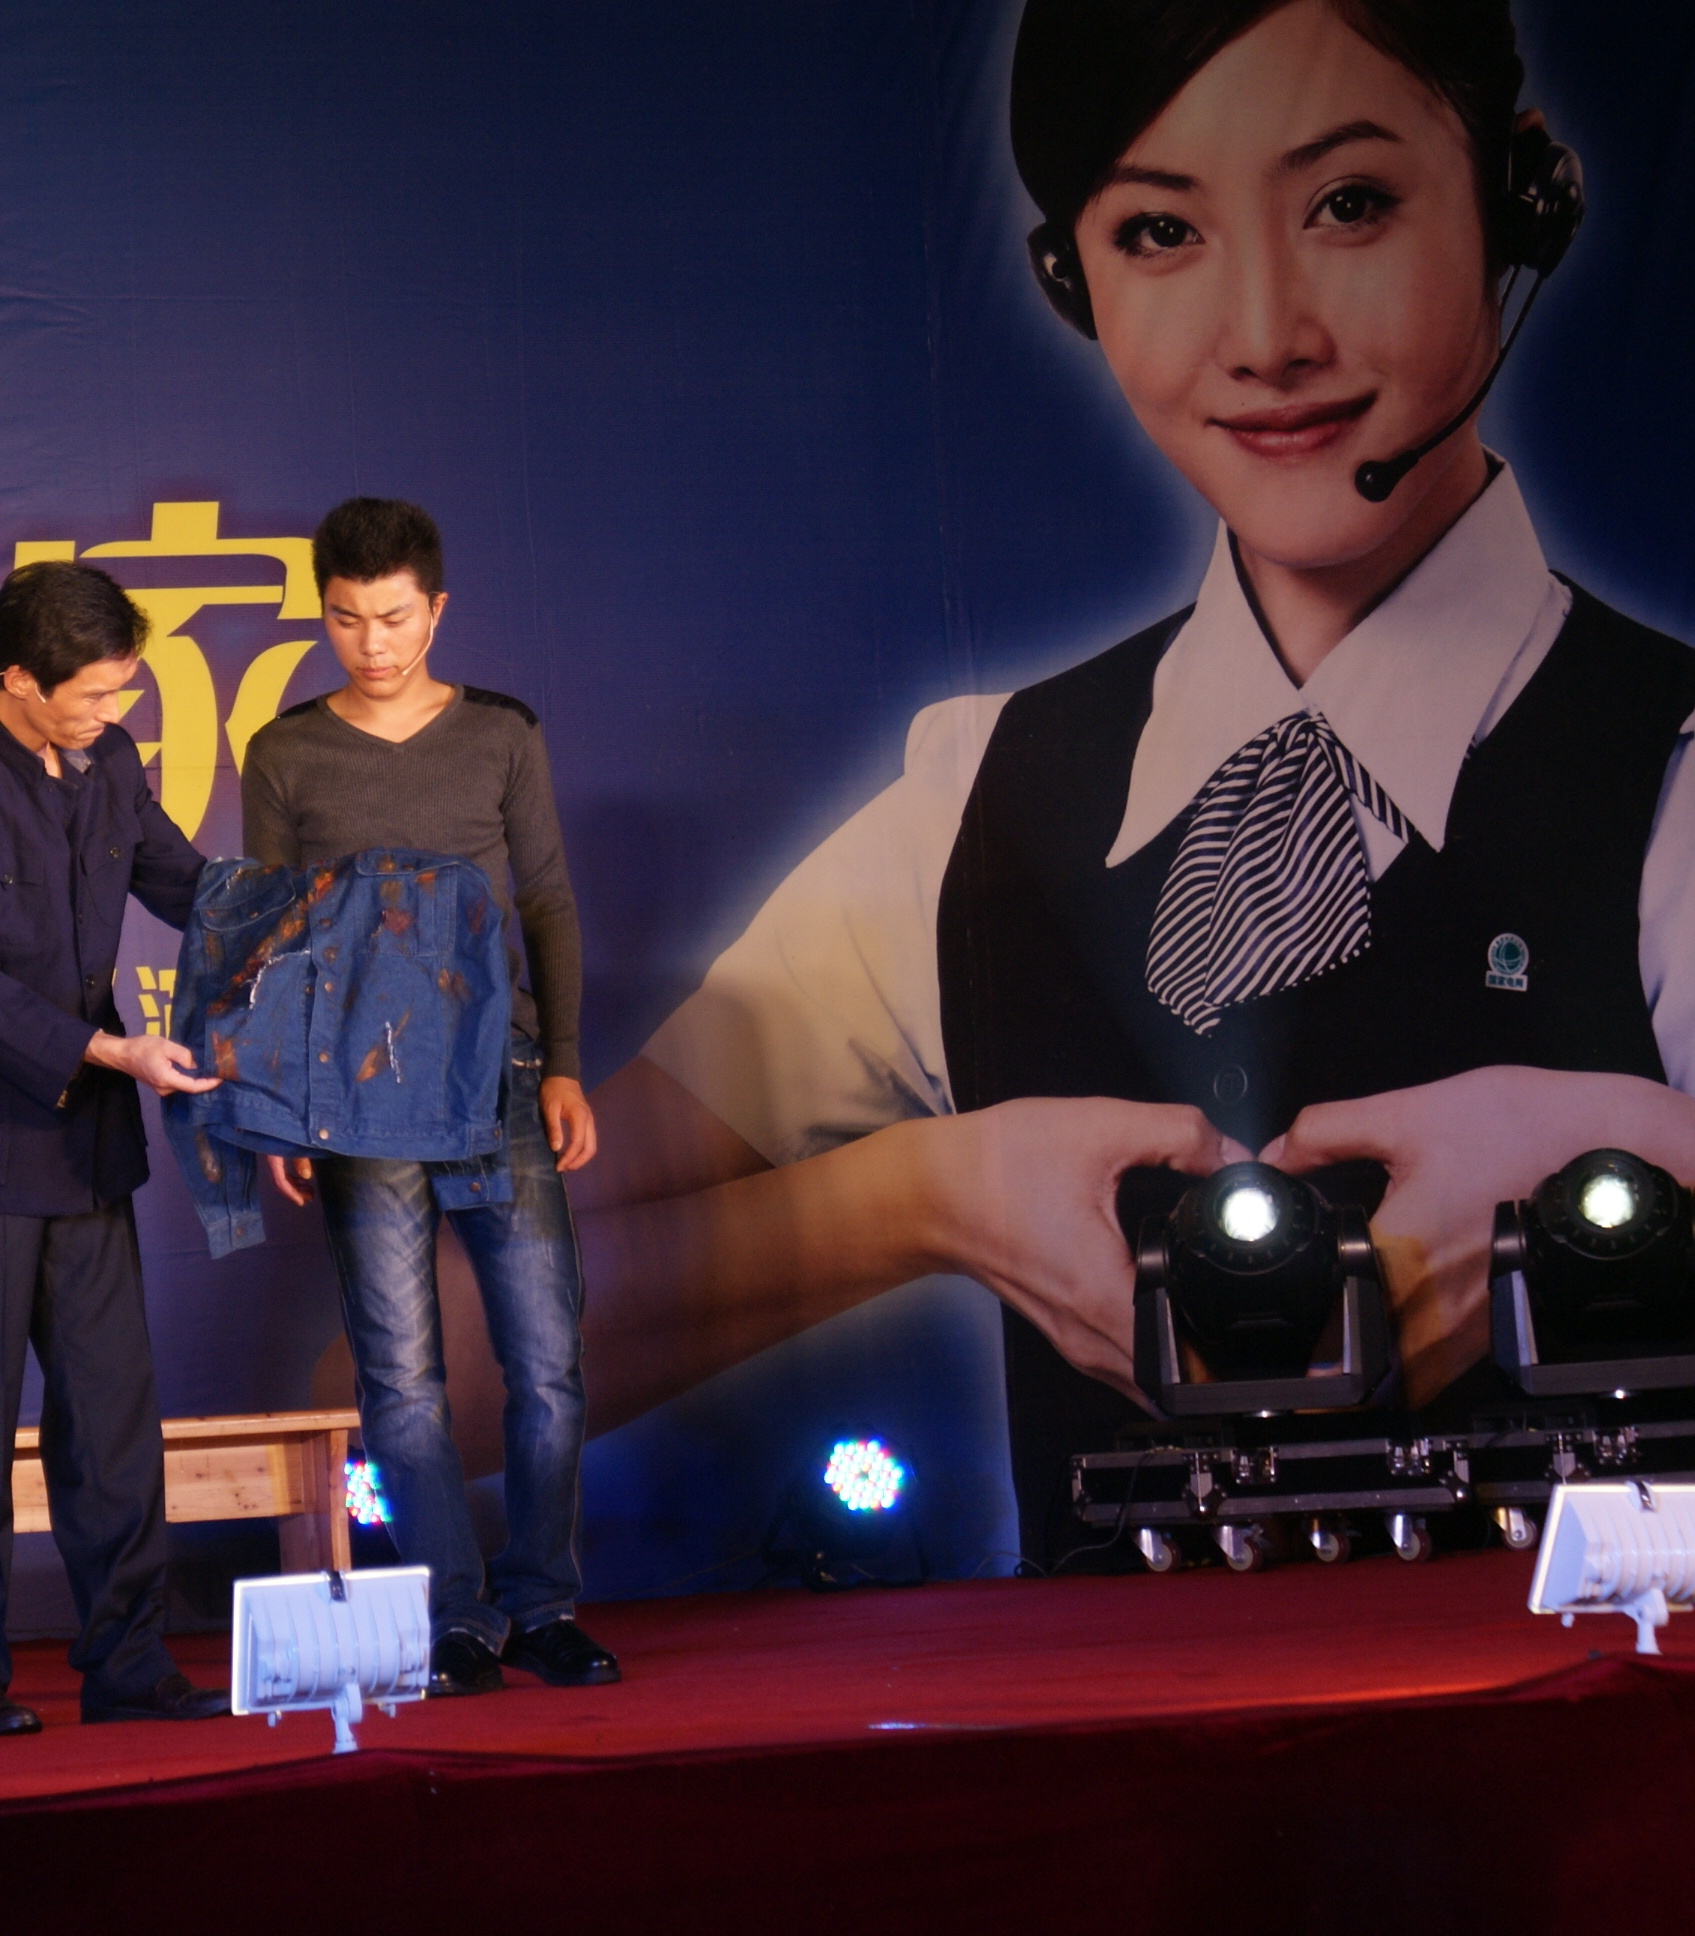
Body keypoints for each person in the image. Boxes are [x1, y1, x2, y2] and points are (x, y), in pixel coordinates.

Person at [563, 0, 1695, 1559]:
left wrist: (1629, 1158)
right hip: (1125, 1718)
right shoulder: (976, 812)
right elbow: (432, 1347)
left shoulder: (1672, 772)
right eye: (1162, 231)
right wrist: (917, 1197)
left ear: (1521, 198)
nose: (1267, 334)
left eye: (1349, 203)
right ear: (1070, 279)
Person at [243, 499, 619, 1695]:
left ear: (436, 609)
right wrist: (278, 1095)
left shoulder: (500, 733)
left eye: (395, 617)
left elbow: (546, 900)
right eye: (347, 619)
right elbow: (270, 936)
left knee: (546, 1362)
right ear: (322, 614)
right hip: (356, 1097)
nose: (374, 643)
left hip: (500, 1077)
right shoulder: (285, 751)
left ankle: (543, 1600)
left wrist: (564, 1061)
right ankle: (456, 1614)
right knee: (400, 1377)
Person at [0, 559, 232, 1737]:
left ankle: (129, 1662)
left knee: (112, 1413)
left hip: (84, 1141)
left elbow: (185, 884)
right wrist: (112, 1050)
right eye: (95, 693)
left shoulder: (110, 760)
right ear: (17, 679)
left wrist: (306, 916)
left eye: (124, 690)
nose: (114, 712)